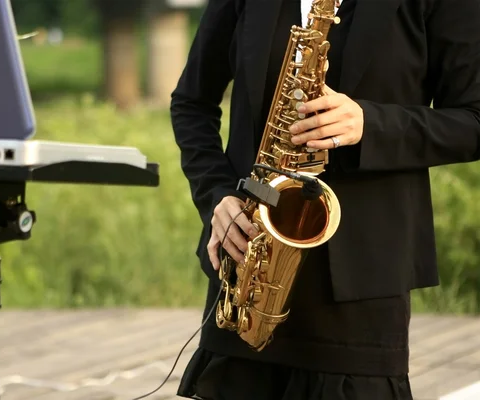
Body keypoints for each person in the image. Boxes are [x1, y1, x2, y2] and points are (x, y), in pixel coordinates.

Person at [170, 0, 480, 398]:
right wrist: (217, 196)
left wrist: (370, 123)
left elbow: (472, 120)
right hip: (248, 273)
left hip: (359, 292)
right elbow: (192, 103)